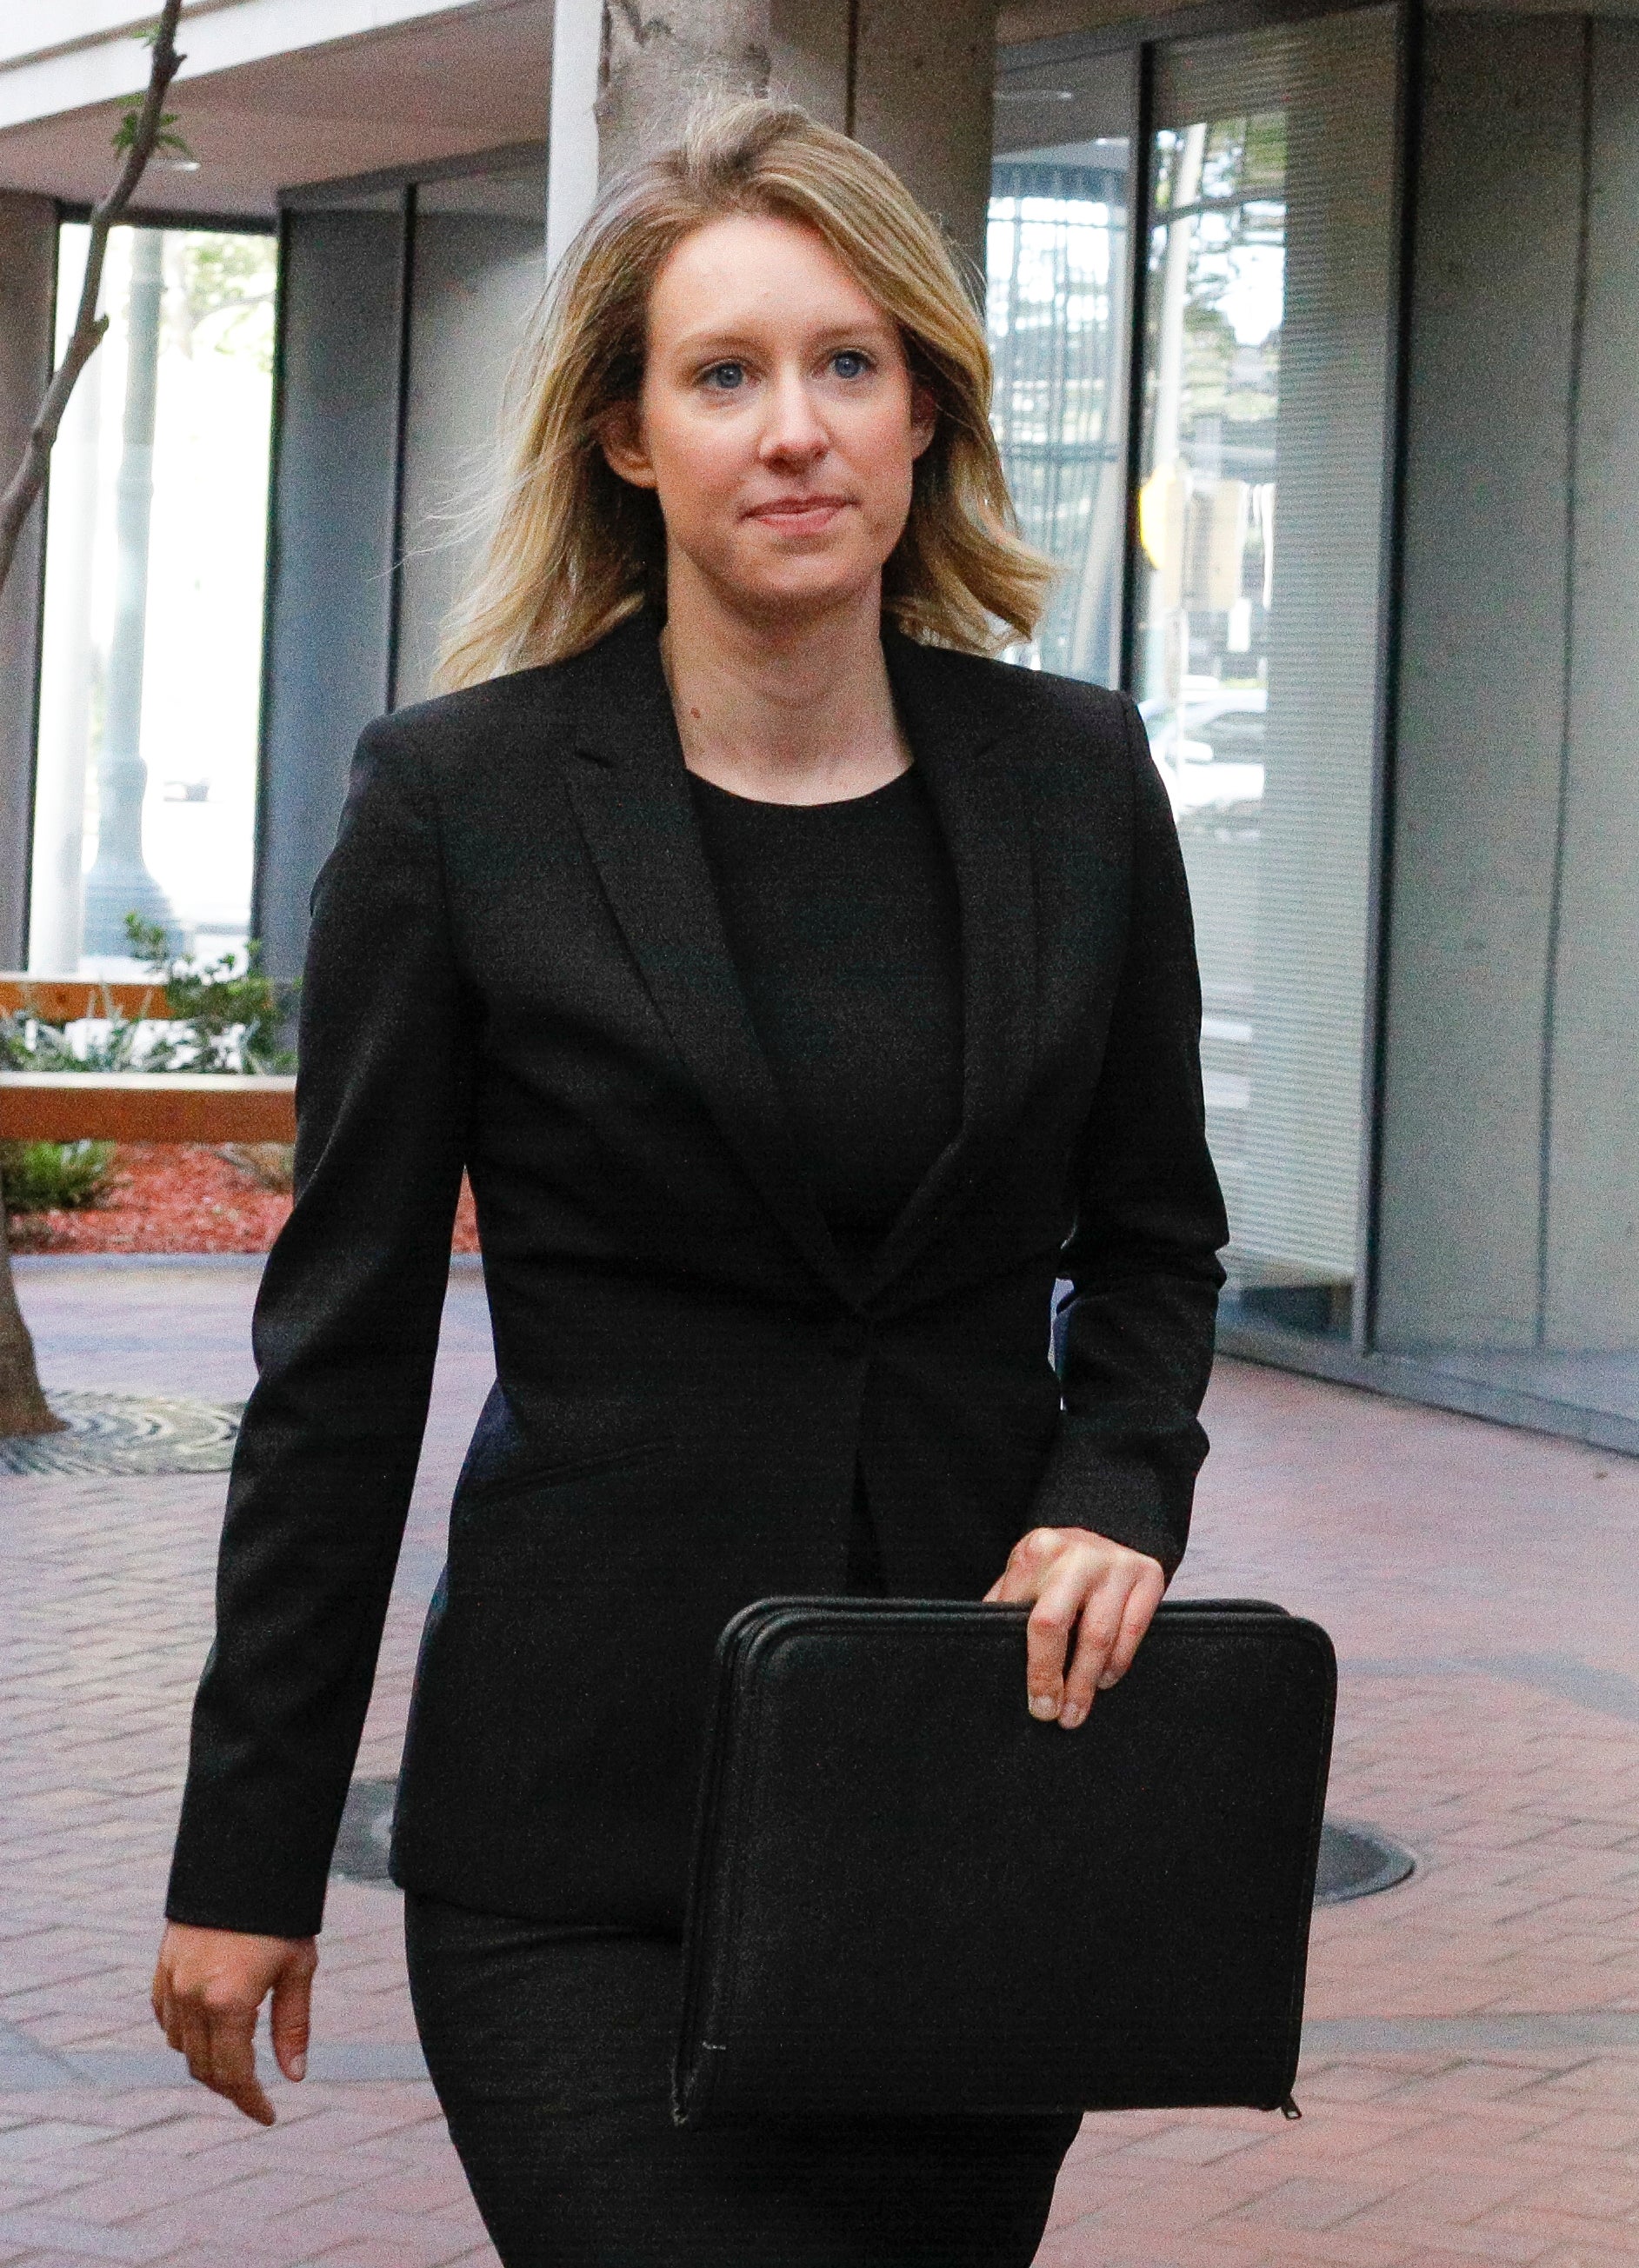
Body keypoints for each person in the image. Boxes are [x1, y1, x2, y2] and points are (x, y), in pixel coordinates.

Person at [151, 97, 1228, 2268]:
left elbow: (1154, 1234)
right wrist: (245, 1849)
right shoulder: (459, 806)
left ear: (925, 405)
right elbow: (340, 1361)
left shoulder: (1076, 781)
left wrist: (1118, 1481)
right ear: (630, 440)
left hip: (967, 1773)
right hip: (575, 1830)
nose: (795, 428)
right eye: (723, 374)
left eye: (847, 363)